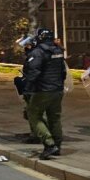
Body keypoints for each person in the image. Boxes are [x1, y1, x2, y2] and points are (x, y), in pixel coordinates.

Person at [22, 28, 67, 160]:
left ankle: (49, 143)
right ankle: (57, 146)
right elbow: (63, 72)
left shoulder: (38, 52)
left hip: (43, 90)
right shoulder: (58, 51)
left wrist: (27, 87)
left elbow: (34, 72)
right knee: (55, 117)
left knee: (33, 114)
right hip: (57, 89)